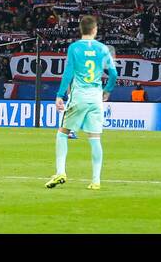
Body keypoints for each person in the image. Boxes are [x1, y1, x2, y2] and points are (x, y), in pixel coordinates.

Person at [45, 15, 118, 190]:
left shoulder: (74, 48)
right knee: (94, 138)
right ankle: (96, 181)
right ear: (95, 30)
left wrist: (59, 95)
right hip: (96, 97)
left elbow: (68, 73)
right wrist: (107, 90)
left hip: (79, 96)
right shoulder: (102, 48)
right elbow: (114, 74)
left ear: (80, 29)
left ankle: (61, 171)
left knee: (62, 133)